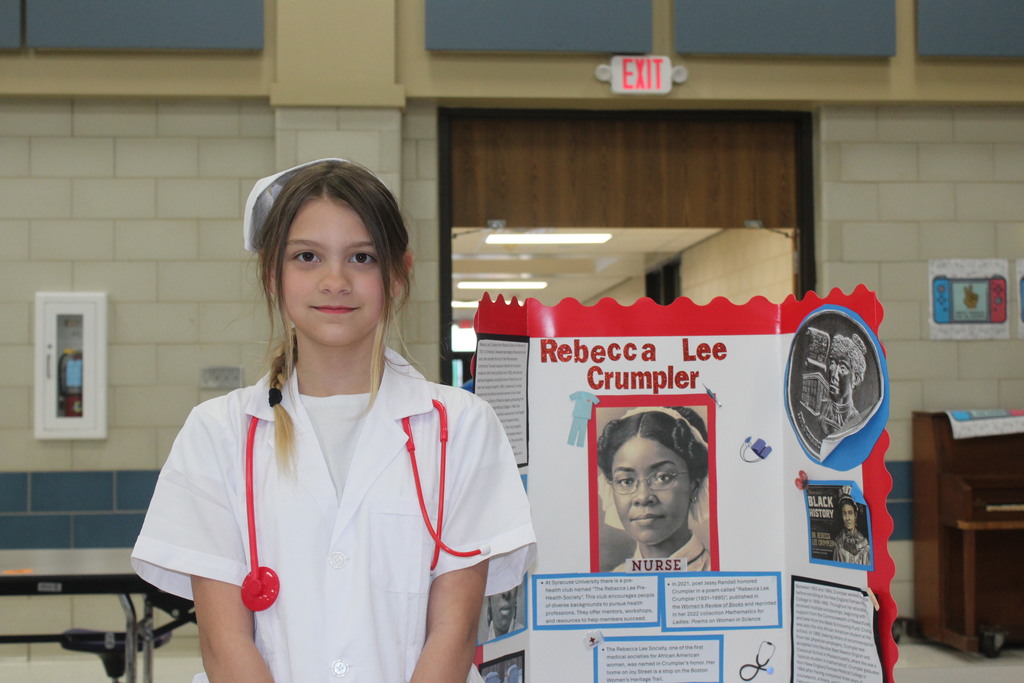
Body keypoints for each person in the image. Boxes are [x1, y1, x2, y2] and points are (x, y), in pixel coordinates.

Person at [131, 159, 536, 683]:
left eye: (361, 257)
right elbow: (224, 641)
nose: (335, 280)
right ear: (272, 276)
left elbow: (453, 635)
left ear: (396, 274)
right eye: (307, 257)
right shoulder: (219, 432)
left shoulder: (460, 426)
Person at [597, 406, 710, 572]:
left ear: (694, 484)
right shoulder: (613, 580)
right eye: (626, 481)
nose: (643, 497)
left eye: (662, 478)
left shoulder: (719, 571)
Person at [819, 333, 868, 436]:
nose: (834, 375)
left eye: (843, 368)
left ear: (856, 380)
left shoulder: (857, 421)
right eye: (832, 364)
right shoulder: (821, 413)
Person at [832, 495, 870, 565]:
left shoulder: (864, 544)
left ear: (855, 515)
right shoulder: (838, 543)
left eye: (850, 513)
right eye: (844, 513)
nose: (847, 518)